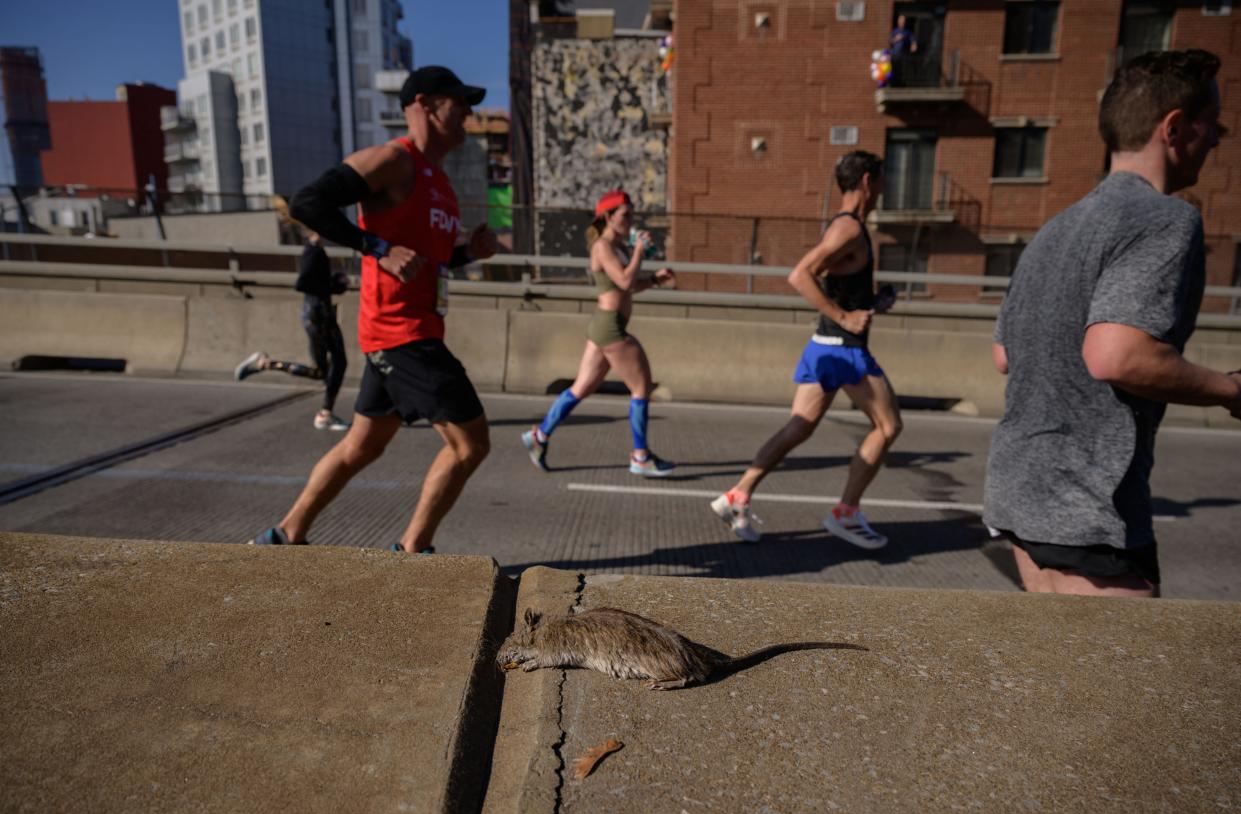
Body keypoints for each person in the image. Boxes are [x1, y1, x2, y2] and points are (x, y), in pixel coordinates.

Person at [984, 49, 1241, 598]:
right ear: (1174, 127)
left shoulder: (1054, 228)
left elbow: (1003, 355)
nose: (1218, 140)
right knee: (1125, 679)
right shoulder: (1167, 218)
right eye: (1212, 125)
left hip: (1018, 496)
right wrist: (1229, 389)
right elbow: (1115, 355)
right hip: (1089, 510)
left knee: (1061, 679)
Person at [250, 65, 498, 553]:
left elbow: (433, 262)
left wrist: (473, 253)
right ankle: (411, 549)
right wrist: (376, 246)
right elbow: (307, 202)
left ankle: (285, 534)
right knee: (471, 444)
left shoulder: (442, 185)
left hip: (411, 332)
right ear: (425, 104)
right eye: (459, 102)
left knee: (362, 446)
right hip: (402, 334)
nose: (469, 112)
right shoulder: (393, 160)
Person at [710, 151, 901, 549]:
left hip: (824, 345)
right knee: (888, 426)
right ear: (867, 181)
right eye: (881, 182)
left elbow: (837, 284)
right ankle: (845, 513)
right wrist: (845, 318)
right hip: (843, 349)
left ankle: (737, 495)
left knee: (799, 426)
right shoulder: (848, 229)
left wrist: (871, 303)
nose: (883, 190)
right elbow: (801, 275)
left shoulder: (846, 227)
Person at [520, 190, 678, 476]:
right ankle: (640, 456)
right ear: (608, 217)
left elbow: (628, 285)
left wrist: (654, 279)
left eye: (632, 214)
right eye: (625, 215)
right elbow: (624, 279)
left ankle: (539, 437)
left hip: (605, 325)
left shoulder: (618, 246)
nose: (631, 220)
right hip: (610, 327)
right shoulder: (603, 247)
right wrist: (640, 252)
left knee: (581, 388)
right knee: (641, 387)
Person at [235, 212, 351, 432]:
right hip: (319, 315)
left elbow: (314, 282)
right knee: (339, 363)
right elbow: (304, 283)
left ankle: (266, 363)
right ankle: (325, 414)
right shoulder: (313, 252)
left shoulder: (315, 250)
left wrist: (335, 284)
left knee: (322, 371)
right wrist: (333, 285)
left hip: (317, 314)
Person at [888, 14, 918, 87]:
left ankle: (901, 83)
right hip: (895, 55)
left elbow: (913, 39)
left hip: (903, 55)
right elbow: (890, 41)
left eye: (903, 21)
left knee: (902, 71)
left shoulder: (907, 32)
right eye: (901, 20)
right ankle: (892, 83)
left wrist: (914, 45)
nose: (902, 22)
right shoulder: (895, 31)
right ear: (898, 21)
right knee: (894, 69)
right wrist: (896, 39)